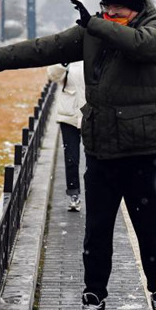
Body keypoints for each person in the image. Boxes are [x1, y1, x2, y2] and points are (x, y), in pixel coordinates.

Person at [0, 0, 156, 310]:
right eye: (105, 11)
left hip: (144, 153)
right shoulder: (95, 30)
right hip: (102, 151)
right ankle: (93, 303)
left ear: (136, 9)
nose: (110, 18)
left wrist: (96, 24)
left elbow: (141, 46)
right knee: (96, 235)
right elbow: (46, 47)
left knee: (153, 233)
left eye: (117, 13)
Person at [47, 62, 86, 211]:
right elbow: (52, 75)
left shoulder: (94, 51)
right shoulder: (68, 55)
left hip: (90, 115)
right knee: (71, 158)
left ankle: (95, 194)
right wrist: (63, 63)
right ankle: (74, 194)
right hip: (68, 115)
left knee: (94, 159)